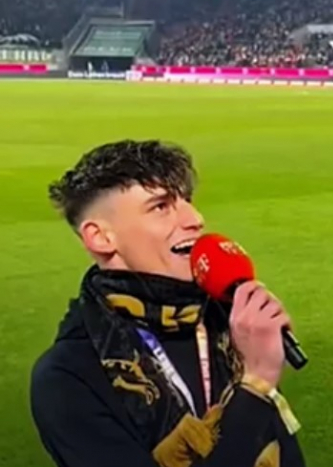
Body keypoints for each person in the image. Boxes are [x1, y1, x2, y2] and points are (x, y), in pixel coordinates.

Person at [30, 140, 307, 467]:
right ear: (101, 237)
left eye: (187, 200)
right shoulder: (68, 378)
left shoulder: (226, 323)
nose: (196, 219)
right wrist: (256, 384)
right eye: (161, 206)